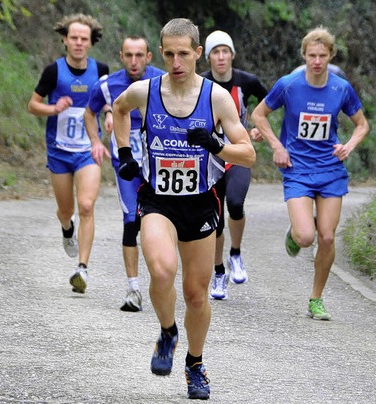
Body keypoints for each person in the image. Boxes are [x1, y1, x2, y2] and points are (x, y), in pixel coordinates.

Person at [112, 18, 255, 400]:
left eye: (183, 54)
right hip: (158, 199)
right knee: (161, 270)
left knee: (196, 294)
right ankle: (167, 331)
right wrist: (126, 152)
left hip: (200, 203)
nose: (176, 62)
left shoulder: (216, 99)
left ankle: (195, 363)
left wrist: (214, 145)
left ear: (197, 53)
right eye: (169, 54)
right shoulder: (146, 91)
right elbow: (119, 109)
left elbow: (249, 154)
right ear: (162, 53)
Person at [251, 26, 369, 321]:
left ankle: (316, 298)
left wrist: (349, 146)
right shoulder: (289, 84)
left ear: (331, 56)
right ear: (304, 55)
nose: (317, 61)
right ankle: (294, 233)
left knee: (327, 238)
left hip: (330, 169)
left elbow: (362, 124)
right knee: (306, 237)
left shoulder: (341, 88)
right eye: (312, 55)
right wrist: (278, 146)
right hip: (298, 169)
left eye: (322, 55)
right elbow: (258, 114)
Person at [27, 14, 109, 294]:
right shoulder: (53, 71)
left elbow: (108, 101)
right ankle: (66, 229)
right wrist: (53, 108)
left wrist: (109, 115)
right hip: (59, 152)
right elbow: (32, 105)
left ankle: (82, 269)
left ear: (90, 43)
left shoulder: (100, 70)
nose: (78, 43)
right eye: (73, 38)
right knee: (66, 210)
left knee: (86, 205)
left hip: (88, 151)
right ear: (65, 40)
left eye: (83, 39)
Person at [84, 36, 165, 312]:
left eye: (139, 55)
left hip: (159, 165)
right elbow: (89, 112)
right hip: (125, 164)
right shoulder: (107, 85)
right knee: (131, 220)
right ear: (121, 56)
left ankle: (162, 281)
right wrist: (96, 141)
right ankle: (133, 289)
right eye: (128, 55)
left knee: (162, 223)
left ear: (149, 57)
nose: (134, 61)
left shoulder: (163, 82)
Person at [199, 30, 268, 300]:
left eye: (225, 51)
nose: (221, 57)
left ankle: (235, 255)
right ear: (208, 58)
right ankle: (219, 273)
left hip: (238, 155)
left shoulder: (247, 82)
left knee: (236, 204)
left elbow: (269, 104)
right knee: (214, 219)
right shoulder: (201, 84)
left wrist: (260, 128)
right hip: (210, 159)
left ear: (232, 55)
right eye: (215, 52)